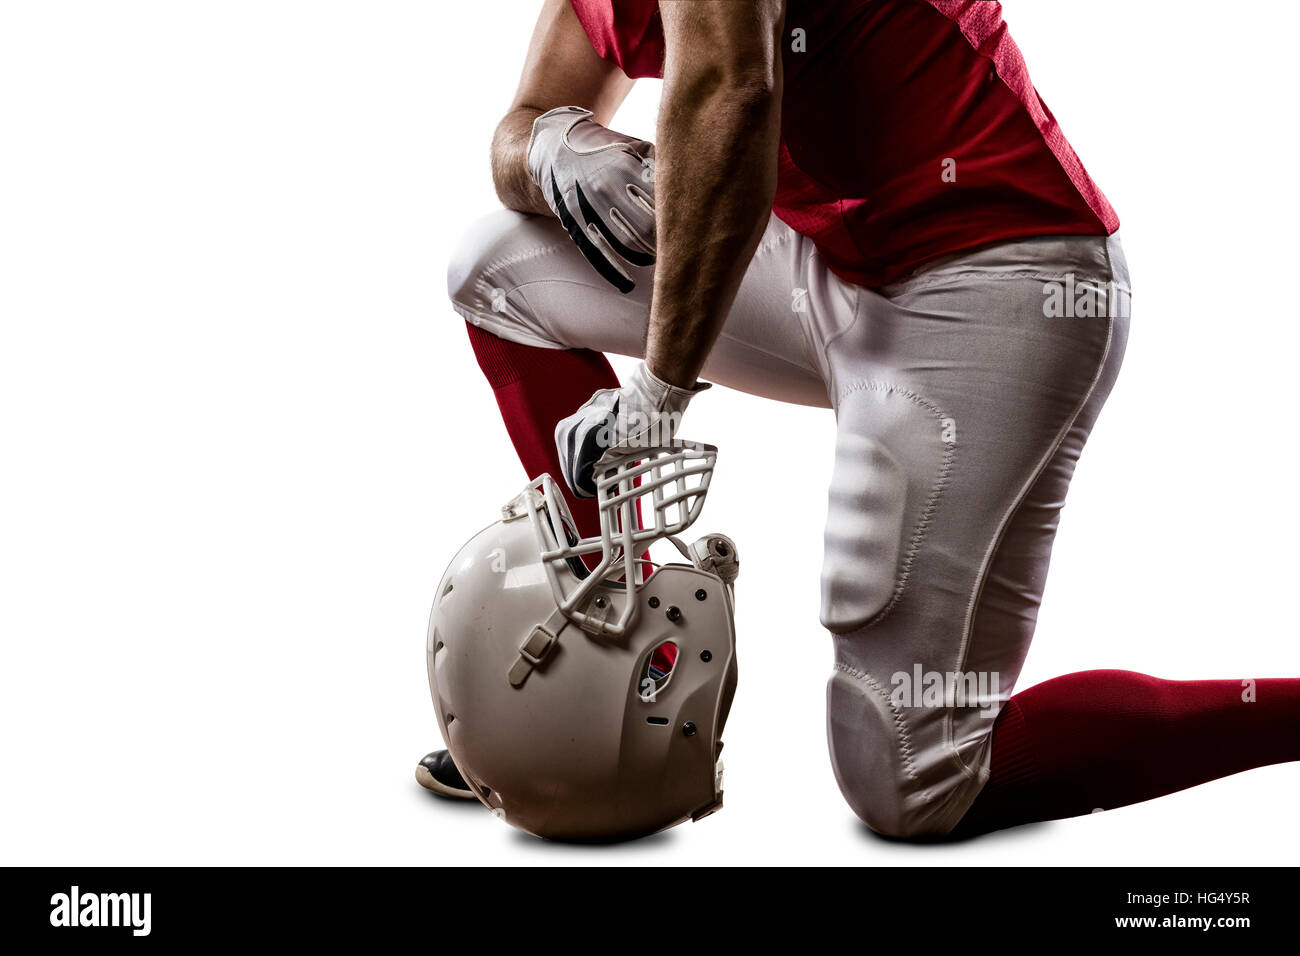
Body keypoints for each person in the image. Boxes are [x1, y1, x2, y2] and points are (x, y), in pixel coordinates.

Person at [418, 0, 1300, 839]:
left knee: (911, 779)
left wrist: (658, 393)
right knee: (491, 267)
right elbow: (523, 116)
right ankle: (601, 648)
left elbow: (733, 89)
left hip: (997, 278)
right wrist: (553, 145)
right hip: (832, 263)